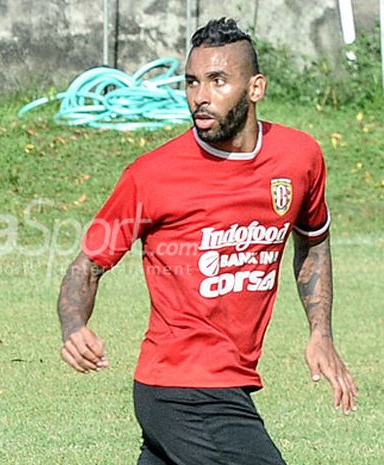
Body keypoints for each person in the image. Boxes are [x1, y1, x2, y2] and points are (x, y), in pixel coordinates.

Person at [56, 17, 357, 465]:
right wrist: (74, 326)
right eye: (192, 82)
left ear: (256, 88)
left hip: (222, 383)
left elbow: (312, 239)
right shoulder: (152, 175)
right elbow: (88, 263)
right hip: (185, 388)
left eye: (218, 81)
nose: (200, 96)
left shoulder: (299, 157)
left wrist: (320, 332)